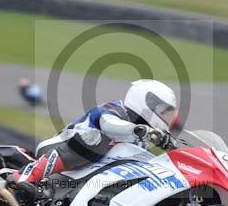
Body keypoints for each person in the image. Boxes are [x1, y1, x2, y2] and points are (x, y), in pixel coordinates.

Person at [10, 79, 178, 199]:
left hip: (85, 174)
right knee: (95, 140)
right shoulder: (116, 109)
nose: (165, 117)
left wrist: (173, 148)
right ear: (147, 102)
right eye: (163, 111)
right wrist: (141, 130)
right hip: (60, 148)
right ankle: (28, 175)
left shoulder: (141, 139)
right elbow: (109, 125)